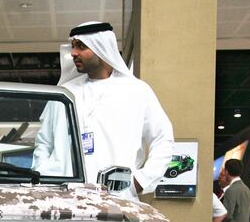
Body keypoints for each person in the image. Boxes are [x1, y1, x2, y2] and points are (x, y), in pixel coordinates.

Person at [33, 21, 173, 200]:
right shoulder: (64, 92)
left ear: (101, 47)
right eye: (73, 46)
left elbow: (163, 139)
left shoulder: (137, 91)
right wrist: (45, 178)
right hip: (64, 199)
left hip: (117, 199)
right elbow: (44, 143)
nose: (74, 53)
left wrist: (139, 182)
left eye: (81, 46)